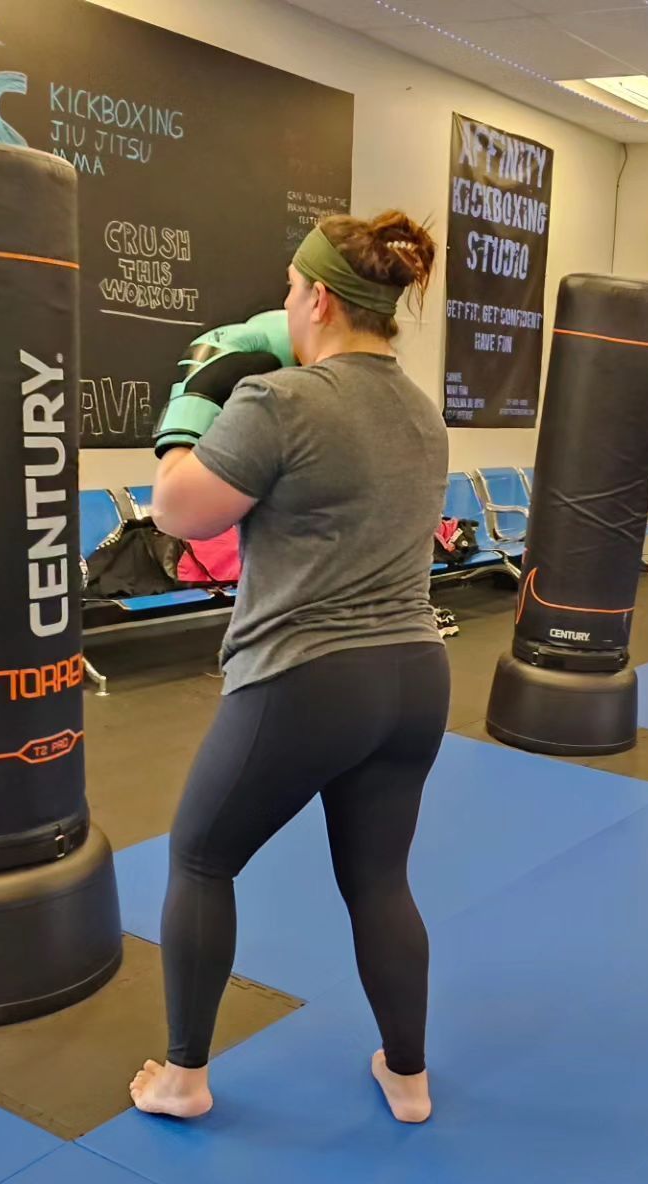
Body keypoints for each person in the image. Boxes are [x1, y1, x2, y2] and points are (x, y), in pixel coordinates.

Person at [128, 210, 450, 1125]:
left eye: (287, 287)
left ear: (315, 295)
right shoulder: (421, 413)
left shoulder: (282, 401)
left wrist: (191, 403)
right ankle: (410, 1076)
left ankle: (183, 1080)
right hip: (416, 675)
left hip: (311, 678)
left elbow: (180, 512)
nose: (282, 302)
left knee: (198, 857)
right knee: (381, 880)